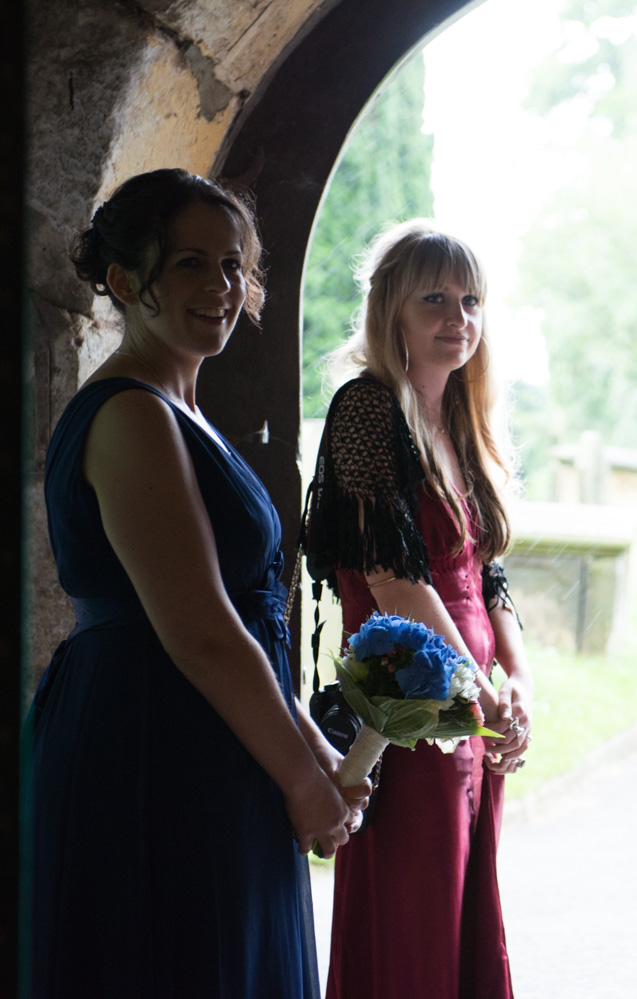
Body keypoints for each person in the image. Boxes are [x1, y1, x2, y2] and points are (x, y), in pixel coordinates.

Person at [28, 168, 369, 998]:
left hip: (215, 734)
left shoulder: (184, 410)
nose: (221, 286)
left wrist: (314, 748)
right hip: (151, 744)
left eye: (231, 265)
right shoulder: (132, 414)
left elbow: (240, 625)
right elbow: (203, 630)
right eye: (190, 263)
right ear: (123, 281)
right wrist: (297, 777)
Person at [305, 219, 532, 999]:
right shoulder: (368, 411)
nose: (457, 317)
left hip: (472, 712)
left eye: (471, 300)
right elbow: (395, 580)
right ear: (391, 307)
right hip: (404, 709)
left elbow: (487, 575)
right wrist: (483, 688)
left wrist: (520, 685)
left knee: (465, 915)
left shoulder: (463, 422)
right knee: (410, 925)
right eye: (434, 296)